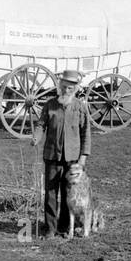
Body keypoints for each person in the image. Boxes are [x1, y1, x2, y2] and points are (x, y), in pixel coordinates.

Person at [34, 69, 90, 239]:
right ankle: (50, 229)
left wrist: (83, 158)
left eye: (70, 88)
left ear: (76, 89)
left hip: (72, 160)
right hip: (52, 156)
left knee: (68, 194)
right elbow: (41, 125)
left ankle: (65, 227)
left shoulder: (80, 107)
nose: (67, 90)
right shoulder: (50, 105)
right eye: (64, 87)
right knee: (50, 193)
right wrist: (36, 137)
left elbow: (85, 133)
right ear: (60, 85)